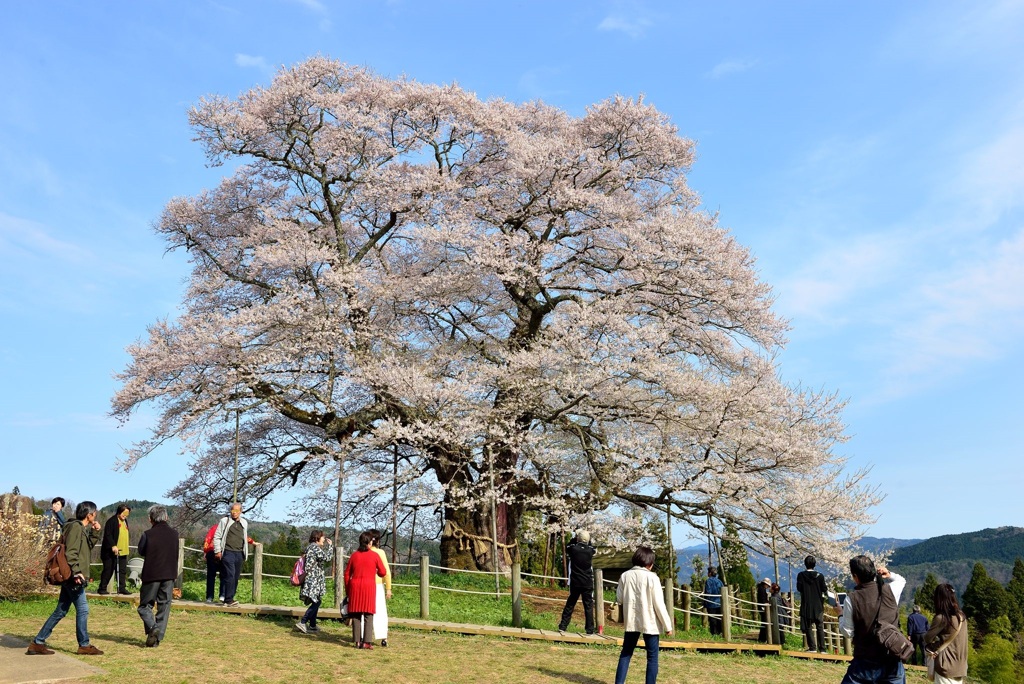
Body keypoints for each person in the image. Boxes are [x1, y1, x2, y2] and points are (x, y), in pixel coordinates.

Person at [26, 501, 104, 656]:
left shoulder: (79, 528)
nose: (95, 515)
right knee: (83, 610)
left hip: (72, 575)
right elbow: (71, 553)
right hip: (73, 576)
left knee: (60, 611)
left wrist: (95, 532)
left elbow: (86, 547)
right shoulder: (75, 527)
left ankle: (38, 642)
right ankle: (84, 645)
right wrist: (76, 572)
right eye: (95, 513)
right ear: (89, 514)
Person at [838, 555, 907, 684]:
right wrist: (889, 574)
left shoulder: (852, 599)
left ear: (855, 576)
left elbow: (848, 632)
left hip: (864, 662)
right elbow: (901, 580)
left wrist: (840, 615)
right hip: (891, 660)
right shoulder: (890, 590)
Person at [614, 546, 673, 684]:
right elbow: (659, 604)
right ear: (650, 563)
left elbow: (620, 599)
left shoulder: (625, 576)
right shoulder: (653, 578)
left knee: (626, 653)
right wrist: (667, 625)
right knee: (652, 657)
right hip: (650, 621)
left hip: (631, 620)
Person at [136, 505, 179, 647]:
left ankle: (153, 628)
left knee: (144, 606)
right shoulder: (174, 534)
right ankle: (157, 639)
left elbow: (141, 551)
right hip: (169, 575)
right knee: (164, 607)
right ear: (166, 517)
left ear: (150, 519)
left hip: (152, 574)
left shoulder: (148, 534)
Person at [344, 530, 387, 649]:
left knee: (356, 614)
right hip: (368, 587)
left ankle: (357, 641)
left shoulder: (354, 555)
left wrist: (348, 589)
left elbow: (347, 574)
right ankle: (367, 642)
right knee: (368, 614)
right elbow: (383, 572)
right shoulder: (375, 555)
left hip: (355, 587)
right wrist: (375, 571)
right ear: (369, 543)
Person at [923, 584, 967, 684]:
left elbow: (927, 638)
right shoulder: (961, 616)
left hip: (945, 664)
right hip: (960, 666)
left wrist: (935, 646)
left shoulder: (942, 618)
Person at [213, 502, 253, 607]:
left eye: (236, 511)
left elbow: (244, 537)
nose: (234, 513)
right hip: (227, 552)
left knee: (235, 576)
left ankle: (229, 598)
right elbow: (217, 536)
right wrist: (218, 550)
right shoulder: (224, 521)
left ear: (241, 511)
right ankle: (228, 599)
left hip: (239, 553)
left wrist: (245, 553)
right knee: (230, 575)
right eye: (232, 510)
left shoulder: (244, 523)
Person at [557, 529, 597, 635]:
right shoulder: (590, 551)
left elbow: (568, 546)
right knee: (588, 606)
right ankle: (590, 629)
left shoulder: (573, 549)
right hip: (587, 582)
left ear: (578, 538)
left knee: (570, 604)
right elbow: (593, 548)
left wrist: (575, 538)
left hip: (575, 582)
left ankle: (563, 626)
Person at [296, 530, 333, 634]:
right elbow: (327, 558)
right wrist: (330, 547)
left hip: (311, 579)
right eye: (322, 537)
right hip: (313, 579)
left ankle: (312, 625)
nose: (324, 539)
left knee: (315, 600)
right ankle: (303, 622)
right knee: (317, 601)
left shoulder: (310, 547)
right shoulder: (315, 548)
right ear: (317, 538)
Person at [796, 554, 828, 653]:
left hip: (806, 604)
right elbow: (824, 589)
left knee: (808, 626)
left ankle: (812, 647)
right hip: (818, 605)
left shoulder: (801, 575)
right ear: (815, 564)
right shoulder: (820, 576)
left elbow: (799, 588)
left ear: (805, 564)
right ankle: (822, 649)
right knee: (820, 627)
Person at [99, 504, 131, 595]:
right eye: (124, 513)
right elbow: (108, 535)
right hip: (110, 552)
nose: (125, 516)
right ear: (119, 512)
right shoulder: (111, 521)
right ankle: (102, 588)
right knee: (108, 570)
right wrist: (113, 545)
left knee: (122, 570)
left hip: (123, 551)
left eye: (127, 514)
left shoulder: (125, 521)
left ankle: (122, 588)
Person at [369, 529, 393, 646]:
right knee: (380, 612)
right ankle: (383, 637)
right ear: (377, 541)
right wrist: (388, 587)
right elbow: (386, 572)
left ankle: (364, 635)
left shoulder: (362, 552)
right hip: (377, 585)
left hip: (364, 585)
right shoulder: (380, 552)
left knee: (365, 611)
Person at [201, 522, 224, 603]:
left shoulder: (215, 527)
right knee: (224, 575)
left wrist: (205, 551)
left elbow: (208, 539)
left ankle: (210, 596)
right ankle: (222, 595)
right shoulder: (230, 527)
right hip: (224, 552)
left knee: (211, 575)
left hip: (211, 551)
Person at [702, 567, 724, 636]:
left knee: (712, 620)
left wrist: (705, 601)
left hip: (711, 604)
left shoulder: (708, 581)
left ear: (710, 573)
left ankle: (714, 633)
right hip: (720, 603)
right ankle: (720, 632)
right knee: (719, 619)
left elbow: (708, 592)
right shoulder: (719, 581)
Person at [757, 577, 771, 643]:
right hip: (763, 607)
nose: (768, 587)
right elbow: (762, 599)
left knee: (764, 622)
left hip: (761, 607)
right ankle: (763, 637)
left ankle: (762, 637)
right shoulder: (762, 589)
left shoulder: (761, 588)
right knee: (764, 622)